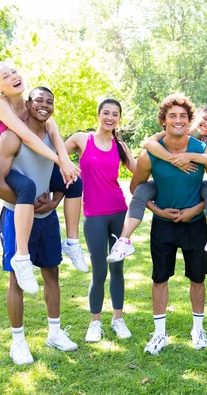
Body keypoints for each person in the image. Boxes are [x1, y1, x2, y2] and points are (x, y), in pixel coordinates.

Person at [130, 94, 207, 355]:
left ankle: (198, 330)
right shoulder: (151, 153)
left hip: (195, 224)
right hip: (163, 225)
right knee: (160, 278)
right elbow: (136, 187)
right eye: (172, 115)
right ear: (163, 120)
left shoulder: (200, 149)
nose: (178, 120)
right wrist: (156, 209)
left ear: (189, 120)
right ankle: (159, 335)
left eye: (183, 116)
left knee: (197, 278)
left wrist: (197, 208)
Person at [0, 87, 78, 365]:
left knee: (52, 274)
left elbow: (64, 177)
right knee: (17, 278)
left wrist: (53, 203)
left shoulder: (53, 139)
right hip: (16, 216)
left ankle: (54, 333)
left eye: (49, 102)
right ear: (27, 104)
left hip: (47, 217)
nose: (44, 105)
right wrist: (24, 203)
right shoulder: (11, 137)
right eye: (38, 100)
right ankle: (18, 342)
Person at [0, 62, 87, 293]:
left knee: (75, 181)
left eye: (14, 72)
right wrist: (61, 161)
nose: (13, 76)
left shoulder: (32, 104)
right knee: (27, 189)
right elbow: (29, 138)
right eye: (5, 76)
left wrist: (66, 162)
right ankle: (21, 258)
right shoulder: (0, 104)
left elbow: (54, 133)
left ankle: (72, 242)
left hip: (27, 167)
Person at [107, 106, 207, 263]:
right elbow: (149, 143)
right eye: (205, 119)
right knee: (142, 190)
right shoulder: (174, 130)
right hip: (160, 188)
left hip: (195, 192)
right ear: (195, 118)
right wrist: (175, 160)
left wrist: (190, 156)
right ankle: (124, 240)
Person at [65, 99, 137, 343]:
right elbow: (55, 158)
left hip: (119, 212)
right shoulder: (80, 140)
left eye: (115, 114)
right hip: (94, 215)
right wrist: (68, 172)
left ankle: (118, 319)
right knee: (99, 270)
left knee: (117, 268)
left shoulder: (120, 146)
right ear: (98, 114)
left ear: (119, 118)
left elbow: (140, 171)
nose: (110, 117)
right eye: (106, 112)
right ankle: (95, 323)